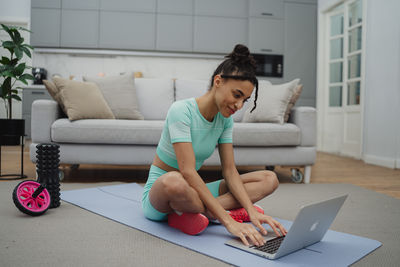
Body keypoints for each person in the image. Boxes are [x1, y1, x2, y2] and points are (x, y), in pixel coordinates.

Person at [141, 44, 287, 247]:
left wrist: (251, 211)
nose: (239, 106)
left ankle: (198, 214)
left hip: (193, 193)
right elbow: (188, 172)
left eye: (244, 100)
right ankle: (221, 213)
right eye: (237, 95)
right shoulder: (181, 110)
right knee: (173, 180)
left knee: (269, 178)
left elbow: (229, 170)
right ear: (218, 81)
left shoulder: (225, 119)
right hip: (162, 196)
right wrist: (229, 222)